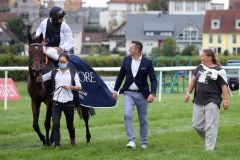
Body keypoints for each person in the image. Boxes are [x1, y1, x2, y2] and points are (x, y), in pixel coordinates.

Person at [112, 40, 157, 149]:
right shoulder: (126, 60)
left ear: (137, 50)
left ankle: (143, 141)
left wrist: (153, 93)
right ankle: (131, 141)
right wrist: (115, 90)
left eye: (131, 48)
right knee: (127, 115)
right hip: (128, 94)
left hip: (143, 95)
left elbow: (153, 79)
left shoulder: (147, 62)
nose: (129, 49)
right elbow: (120, 75)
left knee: (143, 119)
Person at [184, 49, 229, 151]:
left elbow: (224, 86)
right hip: (198, 100)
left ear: (209, 57)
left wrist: (226, 100)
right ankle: (210, 139)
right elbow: (192, 82)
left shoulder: (219, 70)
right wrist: (188, 93)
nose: (201, 58)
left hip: (213, 100)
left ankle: (209, 150)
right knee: (196, 125)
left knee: (210, 126)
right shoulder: (200, 67)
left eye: (203, 56)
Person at [42, 53, 81, 149]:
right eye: (60, 62)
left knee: (70, 125)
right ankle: (57, 145)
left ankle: (72, 139)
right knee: (55, 124)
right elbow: (41, 78)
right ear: (58, 62)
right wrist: (37, 70)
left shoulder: (73, 72)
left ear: (67, 62)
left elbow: (79, 87)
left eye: (64, 62)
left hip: (69, 102)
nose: (62, 63)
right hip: (56, 102)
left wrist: (71, 87)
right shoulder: (54, 72)